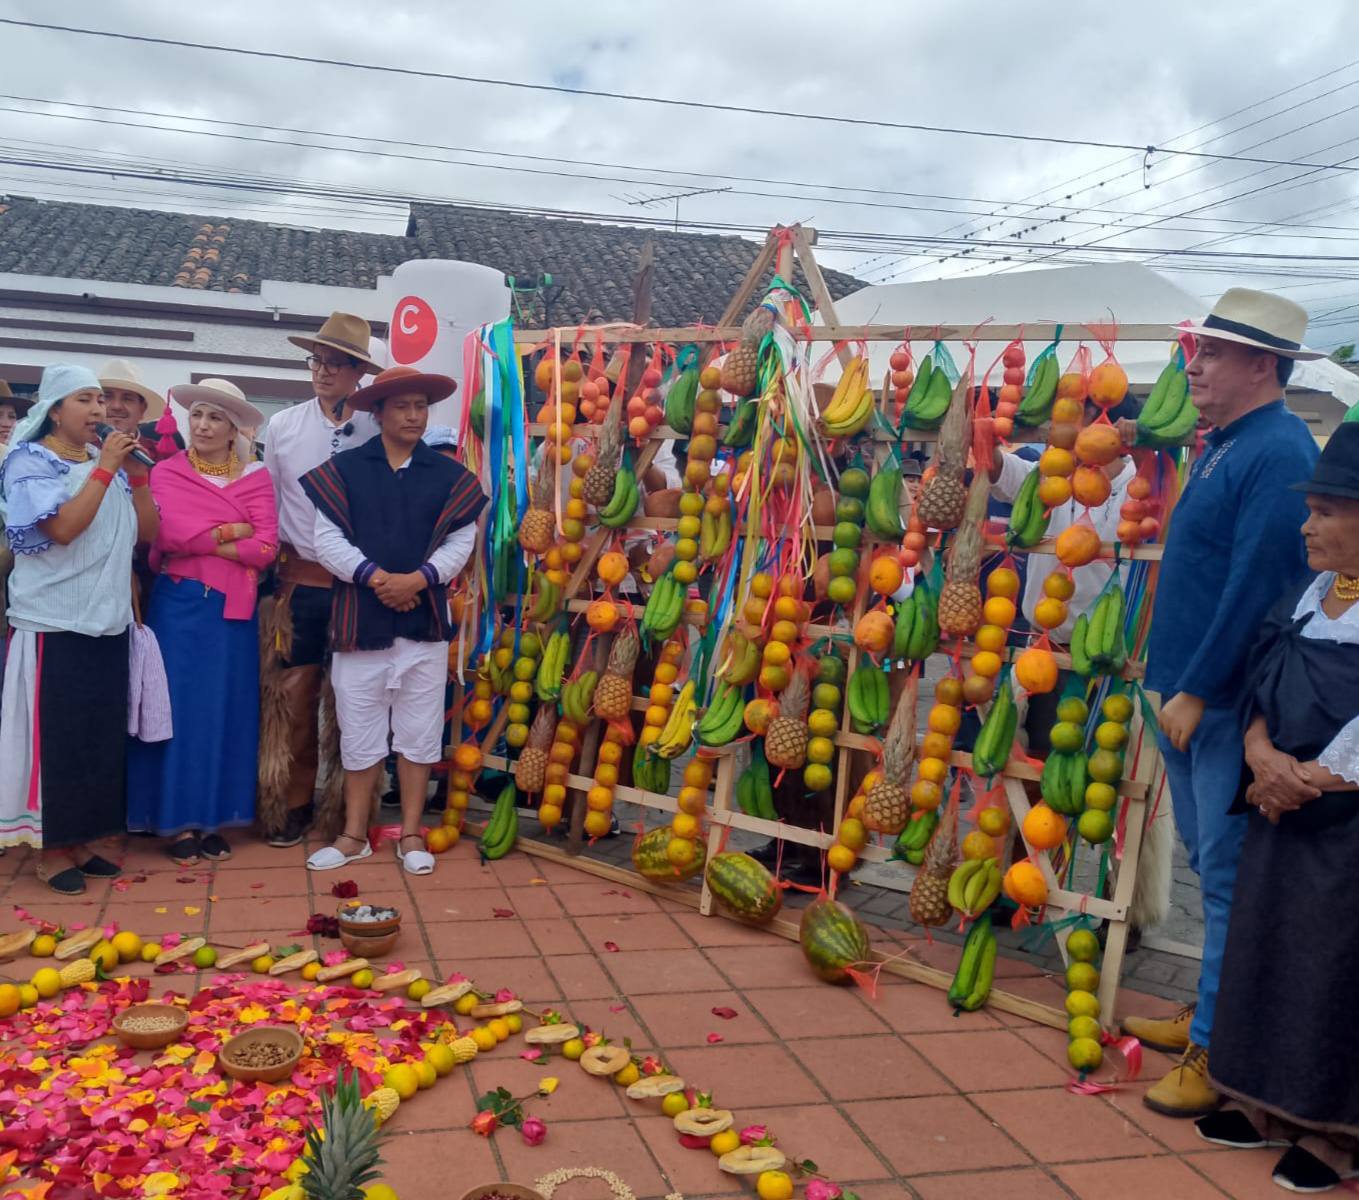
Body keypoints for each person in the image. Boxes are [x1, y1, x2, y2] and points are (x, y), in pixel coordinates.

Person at [1121, 288, 1321, 1117]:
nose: (1192, 366)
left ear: (1261, 365)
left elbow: (1258, 586)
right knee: (1209, 866)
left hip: (1219, 702)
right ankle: (1208, 1010)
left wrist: (1199, 688)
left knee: (1226, 880)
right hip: (1183, 693)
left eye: (1209, 353)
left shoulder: (1276, 450)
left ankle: (1219, 1043)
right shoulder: (1224, 444)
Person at [1192, 424, 1359, 1193]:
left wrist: (1308, 779)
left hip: (1343, 825)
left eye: (1325, 512)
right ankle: (1261, 1100)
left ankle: (1334, 1132)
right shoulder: (1308, 594)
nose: (1305, 526)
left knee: (1333, 966)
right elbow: (1264, 672)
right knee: (1269, 948)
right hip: (1278, 807)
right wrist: (1259, 756)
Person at [301, 366, 485, 875]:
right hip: (360, 621)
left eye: (421, 406)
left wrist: (419, 580)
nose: (413, 415)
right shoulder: (344, 470)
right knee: (358, 732)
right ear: (378, 413)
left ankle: (410, 833)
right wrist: (380, 578)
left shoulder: (449, 476)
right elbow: (327, 541)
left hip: (424, 624)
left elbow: (461, 541)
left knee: (419, 733)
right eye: (402, 406)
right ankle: (353, 834)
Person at [0, 364, 158, 893]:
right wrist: (107, 469)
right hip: (54, 621)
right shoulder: (28, 461)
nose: (99, 410)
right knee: (59, 741)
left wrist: (136, 477)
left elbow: (147, 535)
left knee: (96, 738)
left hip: (107, 621)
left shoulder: (100, 462)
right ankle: (51, 849)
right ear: (54, 410)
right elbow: (64, 528)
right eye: (86, 399)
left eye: (100, 400)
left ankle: (84, 838)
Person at [126, 380, 277, 864]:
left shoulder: (255, 477)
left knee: (223, 711)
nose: (204, 426)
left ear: (234, 430)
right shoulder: (167, 473)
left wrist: (204, 540)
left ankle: (212, 819)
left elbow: (267, 547)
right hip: (179, 607)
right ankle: (175, 820)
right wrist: (233, 531)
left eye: (215, 418)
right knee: (175, 711)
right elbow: (165, 536)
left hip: (232, 613)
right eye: (197, 416)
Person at [259, 313, 382, 848]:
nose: (323, 371)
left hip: (362, 586)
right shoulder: (283, 426)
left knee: (358, 700)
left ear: (359, 373)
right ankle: (292, 802)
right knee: (294, 696)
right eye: (317, 361)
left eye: (336, 363)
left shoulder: (379, 428)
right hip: (300, 584)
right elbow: (268, 506)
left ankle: (349, 809)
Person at [987, 393, 1140, 757]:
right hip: (1047, 649)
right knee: (1039, 757)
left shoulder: (1141, 488)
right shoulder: (1053, 476)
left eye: (1075, 417)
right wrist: (986, 433)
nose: (1064, 428)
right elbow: (1003, 471)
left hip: (1110, 656)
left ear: (1107, 428)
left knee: (1099, 764)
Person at [98, 360, 179, 459]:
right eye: (107, 397)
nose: (116, 406)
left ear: (142, 409)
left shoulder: (161, 458)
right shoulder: (83, 449)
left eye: (127, 398)